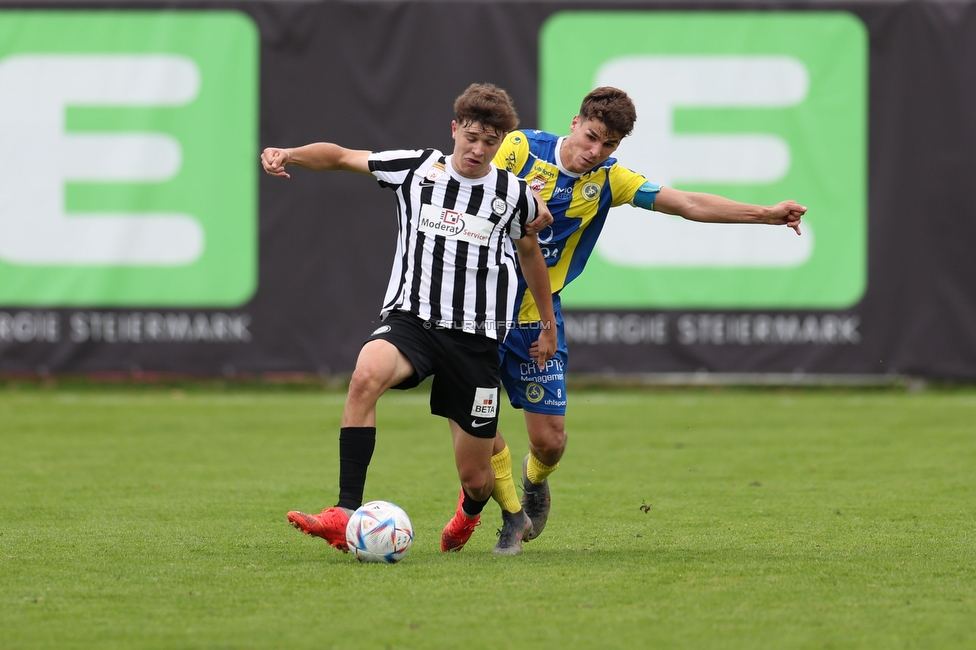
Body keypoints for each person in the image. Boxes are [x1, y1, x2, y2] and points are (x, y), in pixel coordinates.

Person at [488, 86, 807, 554]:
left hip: (537, 317)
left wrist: (766, 214)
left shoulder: (611, 180)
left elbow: (687, 205)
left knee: (550, 442)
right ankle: (508, 517)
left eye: (609, 146)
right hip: (474, 310)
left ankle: (534, 484)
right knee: (475, 433)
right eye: (591, 137)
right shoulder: (518, 148)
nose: (595, 152)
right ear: (575, 122)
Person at [260, 83, 558, 555]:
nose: (478, 149)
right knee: (365, 375)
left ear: (502, 142)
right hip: (413, 321)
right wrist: (289, 154)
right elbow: (339, 156)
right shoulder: (418, 168)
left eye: (491, 141)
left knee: (477, 478)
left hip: (475, 340)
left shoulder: (514, 195)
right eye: (472, 137)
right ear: (455, 129)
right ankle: (343, 512)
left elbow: (530, 254)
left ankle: (471, 511)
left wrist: (547, 322)